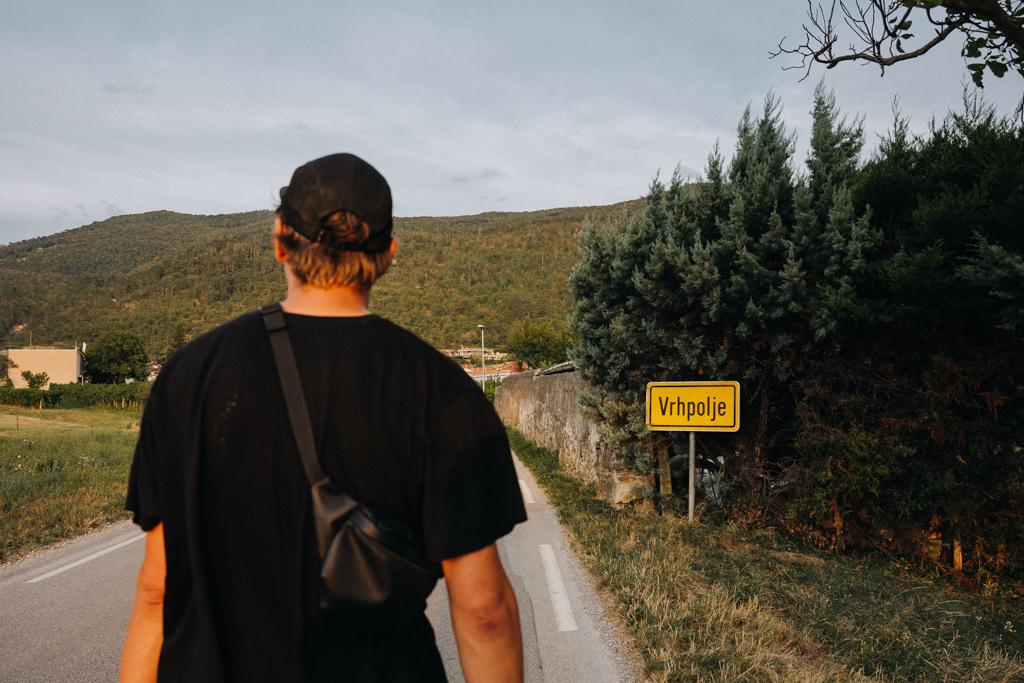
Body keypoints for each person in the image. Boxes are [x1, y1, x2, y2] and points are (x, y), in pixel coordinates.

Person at [119, 153, 527, 683]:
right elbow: (484, 611)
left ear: (279, 239)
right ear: (389, 253)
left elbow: (156, 591)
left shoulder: (187, 376)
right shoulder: (441, 390)